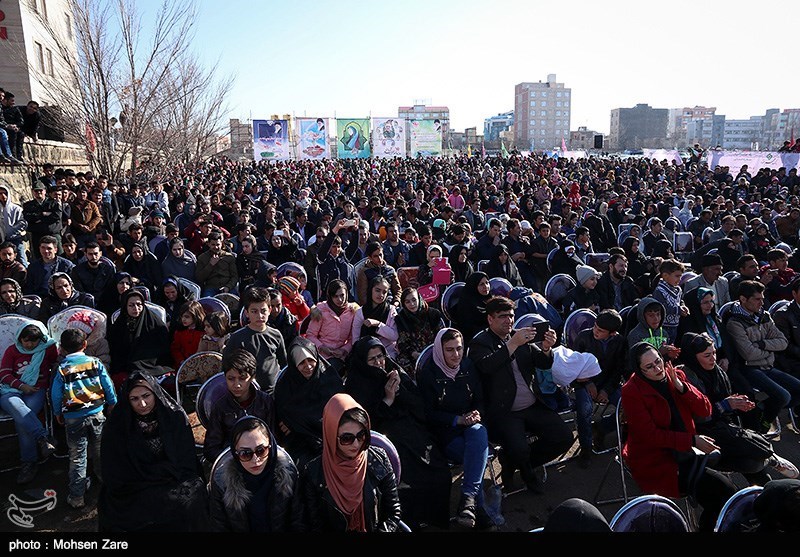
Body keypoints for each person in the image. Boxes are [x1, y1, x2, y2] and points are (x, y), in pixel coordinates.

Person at [622, 341, 738, 531]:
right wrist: (692, 440)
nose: (658, 368)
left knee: (725, 494)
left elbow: (705, 409)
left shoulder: (675, 375)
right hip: (658, 460)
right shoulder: (631, 391)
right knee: (724, 493)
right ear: (639, 370)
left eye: (658, 361)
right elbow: (650, 436)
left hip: (686, 451)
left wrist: (681, 387)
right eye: (649, 367)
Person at [345, 336, 452, 529]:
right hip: (386, 437)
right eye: (372, 359)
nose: (379, 363)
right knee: (406, 482)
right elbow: (363, 423)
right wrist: (388, 399)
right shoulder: (357, 384)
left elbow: (420, 406)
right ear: (363, 362)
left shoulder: (393, 373)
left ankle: (436, 522)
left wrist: (400, 389)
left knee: (439, 471)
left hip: (412, 430)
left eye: (381, 357)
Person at [468, 296, 573, 493]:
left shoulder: (518, 337)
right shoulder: (480, 343)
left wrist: (546, 349)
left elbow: (542, 363)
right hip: (506, 410)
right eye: (502, 316)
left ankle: (515, 464)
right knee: (519, 448)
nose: (508, 320)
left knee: (563, 437)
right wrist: (512, 345)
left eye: (511, 316)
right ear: (490, 319)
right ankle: (526, 472)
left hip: (532, 404)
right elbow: (486, 367)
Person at [678, 332, 798, 483]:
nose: (713, 358)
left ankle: (766, 487)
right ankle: (770, 456)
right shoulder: (686, 377)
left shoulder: (717, 371)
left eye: (714, 352)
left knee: (754, 464)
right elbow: (698, 416)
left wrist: (737, 405)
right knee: (751, 457)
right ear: (693, 356)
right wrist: (724, 406)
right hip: (703, 434)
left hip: (724, 425)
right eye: (707, 355)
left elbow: (726, 402)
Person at [98, 372, 209, 532]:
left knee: (193, 499)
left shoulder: (173, 416)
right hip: (135, 482)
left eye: (146, 396)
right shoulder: (118, 425)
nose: (142, 404)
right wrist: (148, 475)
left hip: (173, 477)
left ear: (155, 394)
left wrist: (165, 472)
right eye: (134, 399)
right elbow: (115, 469)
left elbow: (185, 458)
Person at [417, 328, 494, 530]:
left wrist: (477, 413)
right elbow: (428, 414)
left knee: (479, 433)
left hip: (471, 428)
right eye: (449, 350)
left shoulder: (468, 367)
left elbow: (480, 400)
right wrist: (457, 419)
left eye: (459, 348)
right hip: (446, 433)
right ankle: (478, 508)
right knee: (476, 456)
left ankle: (467, 500)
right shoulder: (429, 375)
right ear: (440, 350)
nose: (456, 354)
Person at [302, 393, 402, 532]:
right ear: (331, 435)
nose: (356, 444)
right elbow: (315, 523)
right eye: (347, 438)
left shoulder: (378, 460)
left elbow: (393, 512)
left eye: (361, 435)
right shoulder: (314, 473)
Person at [51, 329, 117, 509]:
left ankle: (77, 496)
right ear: (85, 345)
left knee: (77, 456)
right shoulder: (95, 363)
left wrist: (57, 412)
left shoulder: (62, 368)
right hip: (96, 413)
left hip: (73, 418)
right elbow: (108, 384)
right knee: (100, 450)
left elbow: (56, 394)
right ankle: (108, 485)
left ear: (61, 349)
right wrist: (112, 403)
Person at [725, 280, 800, 433]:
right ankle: (764, 423)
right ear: (743, 299)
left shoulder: (764, 316)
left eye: (762, 298)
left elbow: (783, 342)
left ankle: (763, 410)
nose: (762, 302)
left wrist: (761, 344)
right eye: (757, 299)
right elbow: (748, 353)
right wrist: (770, 348)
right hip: (749, 369)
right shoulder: (735, 323)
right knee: (783, 396)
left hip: (767, 366)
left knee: (797, 389)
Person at [209, 416, 303, 532]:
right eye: (245, 453)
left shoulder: (288, 474)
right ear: (235, 452)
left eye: (261, 450)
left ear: (270, 445)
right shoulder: (222, 483)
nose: (255, 460)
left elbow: (299, 521)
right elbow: (219, 526)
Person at [0, 322, 58, 484]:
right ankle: (43, 438)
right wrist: (21, 385)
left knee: (23, 420)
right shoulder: (12, 350)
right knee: (19, 410)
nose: (30, 344)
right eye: (26, 341)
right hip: (10, 389)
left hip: (36, 389)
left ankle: (29, 462)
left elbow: (55, 364)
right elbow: (3, 373)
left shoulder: (47, 348)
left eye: (34, 341)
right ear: (20, 339)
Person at [273, 337, 343, 469]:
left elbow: (339, 410)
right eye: (301, 363)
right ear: (294, 364)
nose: (308, 366)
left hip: (330, 437)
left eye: (311, 360)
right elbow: (283, 420)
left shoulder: (329, 379)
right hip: (299, 441)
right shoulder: (285, 386)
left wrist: (298, 423)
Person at [571, 309, 626, 463]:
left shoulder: (619, 341)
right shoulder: (583, 337)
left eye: (600, 330)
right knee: (584, 410)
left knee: (628, 405)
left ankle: (602, 428)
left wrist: (606, 390)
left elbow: (618, 369)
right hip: (583, 383)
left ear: (612, 333)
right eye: (595, 327)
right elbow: (574, 365)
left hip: (608, 383)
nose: (595, 331)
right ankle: (586, 448)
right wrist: (588, 383)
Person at [203, 349, 276, 464]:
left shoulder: (265, 401)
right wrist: (236, 459)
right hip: (232, 462)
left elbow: (274, 439)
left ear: (252, 377)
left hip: (262, 459)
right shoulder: (220, 407)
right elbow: (211, 448)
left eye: (242, 378)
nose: (236, 384)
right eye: (231, 379)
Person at [223, 287, 287, 395]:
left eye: (263, 311)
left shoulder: (276, 335)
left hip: (274, 391)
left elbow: (283, 362)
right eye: (254, 311)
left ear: (269, 310)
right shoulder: (237, 338)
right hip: (248, 393)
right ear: (247, 313)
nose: (259, 316)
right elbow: (226, 366)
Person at [107, 289, 170, 389]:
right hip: (126, 366)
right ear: (125, 306)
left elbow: (163, 350)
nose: (136, 308)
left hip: (152, 365)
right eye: (131, 305)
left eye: (139, 304)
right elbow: (115, 352)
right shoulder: (118, 327)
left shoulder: (155, 324)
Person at [305, 279, 358, 365]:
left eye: (342, 295)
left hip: (343, 354)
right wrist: (322, 347)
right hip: (322, 354)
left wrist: (344, 350)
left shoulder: (352, 311)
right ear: (330, 296)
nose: (340, 299)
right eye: (335, 296)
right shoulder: (321, 311)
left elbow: (352, 337)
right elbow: (310, 335)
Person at [394, 287, 444, 372]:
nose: (412, 304)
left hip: (435, 350)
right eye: (407, 302)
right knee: (402, 361)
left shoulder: (432, 314)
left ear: (419, 299)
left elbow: (442, 335)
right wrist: (414, 353)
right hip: (414, 354)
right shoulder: (401, 319)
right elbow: (402, 342)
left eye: (414, 300)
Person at [351, 276, 399, 359]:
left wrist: (377, 324)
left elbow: (394, 336)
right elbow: (355, 339)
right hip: (366, 351)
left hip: (387, 351)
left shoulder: (391, 310)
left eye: (384, 292)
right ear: (371, 290)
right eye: (377, 290)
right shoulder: (361, 312)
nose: (381, 295)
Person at [651, 259, 690, 345]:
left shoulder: (678, 289)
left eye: (680, 276)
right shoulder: (660, 291)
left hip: (674, 326)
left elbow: (680, 300)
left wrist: (683, 306)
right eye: (677, 276)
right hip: (663, 326)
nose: (680, 279)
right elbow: (662, 307)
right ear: (665, 275)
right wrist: (678, 310)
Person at [452, 271, 491, 343]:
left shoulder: (491, 300)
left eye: (487, 283)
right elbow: (468, 328)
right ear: (474, 286)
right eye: (481, 284)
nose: (486, 286)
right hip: (474, 340)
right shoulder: (466, 304)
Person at [195, 231, 238, 296]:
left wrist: (228, 287)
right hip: (211, 287)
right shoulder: (202, 258)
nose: (216, 247)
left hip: (227, 286)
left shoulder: (229, 257)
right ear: (208, 244)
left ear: (221, 244)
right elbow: (199, 278)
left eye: (218, 245)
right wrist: (210, 265)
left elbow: (234, 276)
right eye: (213, 245)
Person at [169, 300, 205, 368]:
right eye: (182, 316)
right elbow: (175, 349)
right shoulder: (179, 332)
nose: (183, 319)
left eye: (187, 317)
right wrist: (181, 361)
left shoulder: (203, 333)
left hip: (199, 365)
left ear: (195, 316)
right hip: (182, 365)